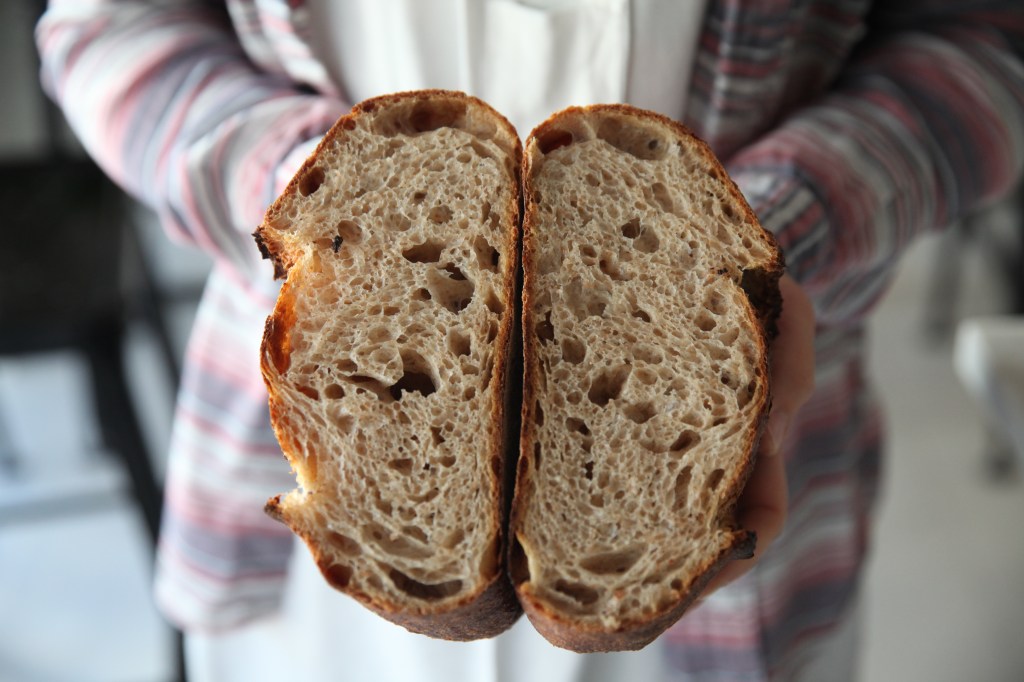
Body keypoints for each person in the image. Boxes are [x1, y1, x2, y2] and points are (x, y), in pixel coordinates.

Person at [36, 1, 1024, 680]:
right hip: (315, 514)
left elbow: (985, 42)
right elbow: (106, 25)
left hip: (728, 496)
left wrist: (761, 247)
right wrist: (315, 200)